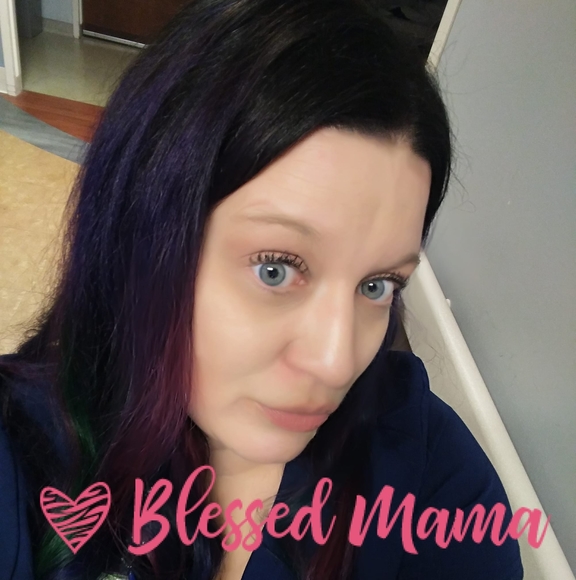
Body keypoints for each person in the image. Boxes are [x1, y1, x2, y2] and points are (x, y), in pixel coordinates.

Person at [0, 0, 524, 579]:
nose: (336, 362)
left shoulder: (438, 482)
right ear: (138, 243)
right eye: (275, 269)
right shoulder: (20, 452)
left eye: (378, 285)